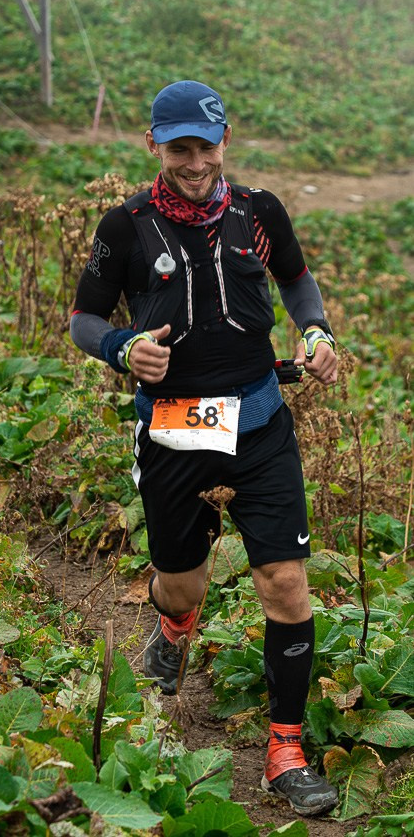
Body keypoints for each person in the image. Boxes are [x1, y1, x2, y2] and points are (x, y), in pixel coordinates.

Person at [70, 80, 339, 817]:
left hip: (258, 423)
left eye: (205, 146)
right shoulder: (123, 228)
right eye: (178, 148)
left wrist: (313, 332)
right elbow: (84, 319)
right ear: (152, 146)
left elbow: (296, 281)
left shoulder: (258, 212)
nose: (194, 162)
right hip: (175, 430)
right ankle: (171, 627)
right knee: (181, 583)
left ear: (226, 142)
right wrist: (123, 348)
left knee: (284, 583)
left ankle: (285, 747)